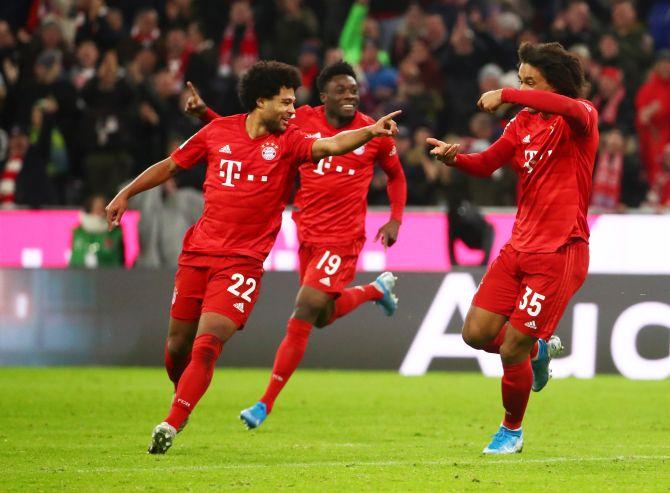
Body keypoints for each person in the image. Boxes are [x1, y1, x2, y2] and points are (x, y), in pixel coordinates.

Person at [105, 60, 400, 454]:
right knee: (177, 347)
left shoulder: (290, 142)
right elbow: (172, 165)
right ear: (261, 102)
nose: (293, 112)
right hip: (198, 254)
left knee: (208, 345)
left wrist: (369, 131)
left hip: (243, 262)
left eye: (295, 103)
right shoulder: (217, 130)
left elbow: (329, 145)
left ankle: (172, 423)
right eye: (285, 103)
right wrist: (126, 193)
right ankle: (184, 398)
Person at [185, 60, 407, 429]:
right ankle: (374, 290)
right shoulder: (300, 119)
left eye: (354, 90)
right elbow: (242, 133)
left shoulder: (372, 130)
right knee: (320, 316)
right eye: (341, 90)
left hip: (343, 238)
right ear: (323, 96)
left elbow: (396, 176)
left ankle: (264, 403)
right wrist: (205, 114)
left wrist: (395, 218)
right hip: (307, 232)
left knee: (304, 308)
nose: (350, 95)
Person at [427, 42, 598, 454]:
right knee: (475, 333)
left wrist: (505, 93)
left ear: (553, 84)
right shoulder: (522, 123)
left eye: (529, 82)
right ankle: (537, 349)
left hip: (560, 251)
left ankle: (511, 430)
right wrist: (455, 161)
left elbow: (567, 108)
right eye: (519, 80)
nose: (521, 88)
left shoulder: (581, 116)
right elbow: (487, 164)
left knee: (511, 348)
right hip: (518, 246)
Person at [70, 194, 124, 268]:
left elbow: (118, 259)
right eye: (95, 208)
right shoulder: (78, 232)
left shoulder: (115, 232)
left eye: (102, 208)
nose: (99, 211)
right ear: (89, 209)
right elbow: (75, 259)